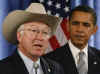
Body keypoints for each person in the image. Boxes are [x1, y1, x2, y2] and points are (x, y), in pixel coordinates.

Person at [0, 3, 65, 74]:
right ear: (19, 36)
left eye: (45, 32)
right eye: (34, 30)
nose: (40, 37)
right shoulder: (3, 69)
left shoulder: (56, 69)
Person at [46, 5, 100, 74]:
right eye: (75, 23)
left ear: (94, 30)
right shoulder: (49, 60)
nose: (80, 29)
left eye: (86, 25)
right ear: (67, 26)